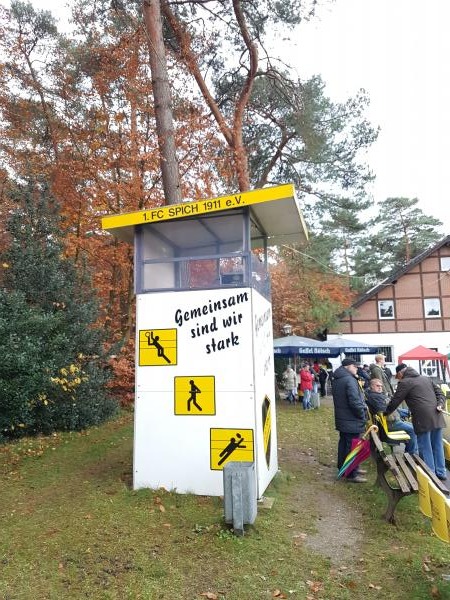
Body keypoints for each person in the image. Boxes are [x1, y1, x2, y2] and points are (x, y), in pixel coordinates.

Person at [385, 363, 447, 480]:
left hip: (422, 417)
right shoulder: (426, 378)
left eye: (397, 377)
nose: (398, 379)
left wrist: (385, 413)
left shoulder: (404, 382)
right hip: (436, 415)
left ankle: (430, 474)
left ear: (400, 373)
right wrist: (440, 404)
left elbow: (395, 400)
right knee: (437, 445)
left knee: (425, 446)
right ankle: (441, 472)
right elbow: (440, 394)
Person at [332, 358, 369, 483]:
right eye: (355, 366)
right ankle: (351, 474)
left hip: (343, 418)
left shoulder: (338, 378)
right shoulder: (349, 380)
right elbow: (355, 401)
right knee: (352, 446)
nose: (357, 368)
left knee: (344, 444)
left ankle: (344, 468)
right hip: (352, 419)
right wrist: (362, 416)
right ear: (348, 366)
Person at [366, 378, 418, 454]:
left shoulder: (377, 395)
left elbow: (390, 407)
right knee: (413, 430)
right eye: (377, 386)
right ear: (371, 386)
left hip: (392, 420)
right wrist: (392, 405)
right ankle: (412, 454)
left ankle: (411, 452)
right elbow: (384, 410)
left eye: (381, 386)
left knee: (414, 425)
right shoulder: (374, 397)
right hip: (390, 423)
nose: (380, 387)